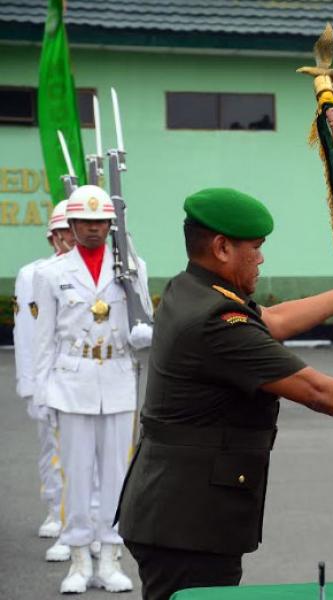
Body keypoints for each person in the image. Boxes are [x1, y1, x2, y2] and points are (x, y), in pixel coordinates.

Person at [116, 188, 333, 600]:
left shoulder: (192, 288)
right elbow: (315, 390)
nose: (261, 258)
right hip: (187, 522)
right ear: (221, 248)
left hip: (175, 509)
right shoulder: (217, 319)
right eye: (255, 248)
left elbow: (270, 320)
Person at [32, 185, 152, 594]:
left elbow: (145, 319)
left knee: (119, 476)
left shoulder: (133, 266)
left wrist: (142, 334)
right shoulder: (52, 273)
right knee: (76, 475)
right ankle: (79, 560)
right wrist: (41, 391)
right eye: (84, 222)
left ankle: (111, 558)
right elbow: (43, 338)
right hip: (71, 380)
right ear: (71, 224)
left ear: (110, 225)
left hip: (117, 377)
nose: (92, 229)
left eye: (100, 222)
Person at [14, 201, 75, 563]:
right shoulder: (33, 274)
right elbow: (26, 334)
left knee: (89, 458)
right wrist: (31, 384)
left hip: (78, 378)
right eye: (64, 232)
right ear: (52, 236)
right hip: (45, 378)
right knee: (52, 452)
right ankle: (56, 510)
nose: (70, 238)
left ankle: (88, 519)